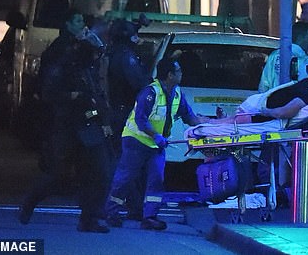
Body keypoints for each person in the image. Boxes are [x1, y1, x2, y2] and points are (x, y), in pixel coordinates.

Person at [19, 14, 112, 233]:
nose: (84, 27)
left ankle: (89, 219)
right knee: (60, 176)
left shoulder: (85, 51)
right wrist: (73, 96)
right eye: (78, 22)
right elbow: (48, 91)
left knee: (100, 173)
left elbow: (99, 58)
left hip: (88, 123)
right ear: (67, 24)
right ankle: (31, 200)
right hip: (67, 123)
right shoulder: (59, 51)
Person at [105, 58, 207, 231]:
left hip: (156, 145)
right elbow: (140, 119)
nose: (181, 73)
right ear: (169, 75)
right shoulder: (150, 93)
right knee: (125, 178)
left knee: (156, 179)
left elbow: (189, 116)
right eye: (179, 71)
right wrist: (156, 136)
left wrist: (205, 128)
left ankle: (150, 217)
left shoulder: (177, 94)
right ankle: (111, 212)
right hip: (136, 141)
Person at [107, 17, 152, 153]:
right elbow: (139, 83)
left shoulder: (115, 52)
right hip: (123, 110)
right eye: (134, 35)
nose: (137, 39)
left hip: (117, 108)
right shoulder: (126, 57)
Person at [258, 21, 308, 93]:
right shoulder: (304, 59)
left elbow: (264, 84)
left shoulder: (274, 55)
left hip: (272, 100)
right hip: (293, 102)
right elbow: (304, 86)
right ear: (300, 37)